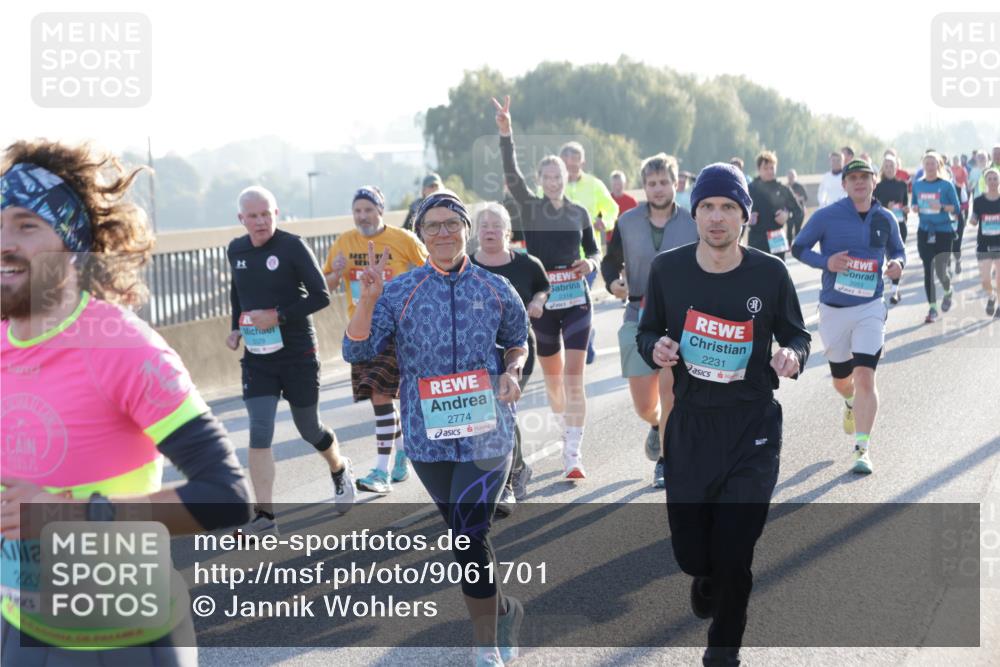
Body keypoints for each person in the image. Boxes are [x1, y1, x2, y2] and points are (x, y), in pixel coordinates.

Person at [1, 140, 251, 665]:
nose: (4, 241)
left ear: (70, 242)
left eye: (26, 225)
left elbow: (227, 495)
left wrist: (73, 517)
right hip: (19, 625)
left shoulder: (121, 348)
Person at [343, 190, 528, 667]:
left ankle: (484, 644)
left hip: (489, 431)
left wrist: (512, 371)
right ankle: (504, 609)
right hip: (428, 437)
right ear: (421, 236)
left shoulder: (494, 288)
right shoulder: (401, 292)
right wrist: (366, 300)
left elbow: (516, 342)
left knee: (468, 533)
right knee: (466, 538)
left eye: (452, 224)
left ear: (466, 229)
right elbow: (356, 350)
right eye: (433, 226)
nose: (443, 233)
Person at [637, 162, 810, 667]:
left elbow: (797, 334)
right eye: (708, 207)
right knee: (692, 554)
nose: (717, 218)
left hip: (751, 426)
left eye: (728, 208)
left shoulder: (769, 273)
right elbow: (646, 332)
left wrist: (793, 356)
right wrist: (658, 347)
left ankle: (723, 652)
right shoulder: (669, 270)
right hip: (691, 427)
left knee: (736, 551)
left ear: (745, 216)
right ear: (695, 215)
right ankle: (704, 574)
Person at [226, 186, 354, 533]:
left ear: (276, 214)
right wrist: (235, 328)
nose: (260, 221)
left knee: (308, 428)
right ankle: (265, 516)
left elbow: (321, 296)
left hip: (298, 353)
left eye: (266, 214)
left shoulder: (292, 246)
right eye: (253, 216)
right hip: (258, 358)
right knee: (260, 429)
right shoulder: (235, 249)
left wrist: (279, 316)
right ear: (242, 219)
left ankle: (339, 467)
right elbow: (239, 290)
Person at [494, 96, 600, 479]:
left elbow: (595, 248)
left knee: (574, 377)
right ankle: (564, 427)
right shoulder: (531, 207)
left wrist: (592, 263)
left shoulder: (579, 213)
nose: (554, 181)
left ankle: (573, 452)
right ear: (541, 182)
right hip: (543, 304)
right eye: (548, 177)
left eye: (559, 176)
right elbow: (511, 172)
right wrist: (506, 133)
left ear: (567, 178)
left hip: (576, 302)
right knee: (554, 382)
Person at [791, 159, 905, 474]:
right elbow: (799, 248)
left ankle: (862, 448)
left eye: (864, 177)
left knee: (866, 375)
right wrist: (826, 262)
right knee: (843, 381)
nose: (859, 182)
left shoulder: (886, 218)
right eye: (852, 178)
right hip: (834, 310)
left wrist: (898, 264)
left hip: (870, 307)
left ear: (874, 183)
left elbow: (898, 251)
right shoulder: (827, 217)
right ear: (844, 184)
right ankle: (850, 401)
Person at [601, 153, 697, 488]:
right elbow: (610, 263)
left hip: (681, 317)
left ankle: (665, 461)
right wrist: (613, 282)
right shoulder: (627, 222)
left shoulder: (692, 222)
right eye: (651, 183)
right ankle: (656, 425)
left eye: (663, 182)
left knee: (670, 392)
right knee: (645, 404)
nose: (658, 189)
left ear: (675, 183)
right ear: (644, 186)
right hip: (638, 314)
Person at [324, 186, 428, 494]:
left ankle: (381, 471)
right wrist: (336, 273)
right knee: (379, 397)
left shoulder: (403, 239)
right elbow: (325, 285)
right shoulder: (344, 242)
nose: (362, 216)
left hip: (398, 327)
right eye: (357, 210)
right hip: (363, 329)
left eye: (368, 209)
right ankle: (401, 454)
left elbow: (431, 273)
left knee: (383, 396)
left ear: (380, 211)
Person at [470, 203, 551, 515]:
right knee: (489, 415)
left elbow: (543, 286)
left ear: (507, 231)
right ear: (476, 232)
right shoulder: (466, 266)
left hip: (516, 350)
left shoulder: (527, 264)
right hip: (475, 354)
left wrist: (538, 301)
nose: (490, 230)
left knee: (503, 410)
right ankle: (517, 468)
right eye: (484, 225)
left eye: (496, 225)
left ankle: (504, 483)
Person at [558, 141, 619, 364]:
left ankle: (584, 340)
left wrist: (606, 221)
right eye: (567, 164)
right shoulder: (552, 184)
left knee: (579, 299)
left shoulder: (594, 184)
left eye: (575, 163)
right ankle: (583, 335)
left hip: (586, 256)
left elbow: (612, 208)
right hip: (556, 258)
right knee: (564, 304)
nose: (571, 168)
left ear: (582, 162)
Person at [911, 152, 961, 323]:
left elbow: (957, 209)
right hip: (924, 231)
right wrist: (915, 208)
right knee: (928, 269)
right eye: (927, 163)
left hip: (943, 232)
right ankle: (932, 308)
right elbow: (914, 204)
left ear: (938, 165)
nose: (929, 167)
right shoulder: (917, 185)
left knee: (941, 271)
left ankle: (948, 291)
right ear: (923, 166)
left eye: (933, 163)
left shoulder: (946, 185)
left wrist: (941, 207)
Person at [746, 151, 803, 261]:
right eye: (766, 168)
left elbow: (798, 212)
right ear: (759, 169)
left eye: (772, 168)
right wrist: (746, 217)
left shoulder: (782, 189)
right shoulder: (750, 189)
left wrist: (787, 216)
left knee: (778, 272)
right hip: (756, 237)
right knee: (755, 273)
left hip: (777, 236)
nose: (769, 171)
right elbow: (737, 211)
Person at [874, 154, 911, 304]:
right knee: (884, 258)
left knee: (895, 257)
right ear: (883, 168)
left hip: (900, 225)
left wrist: (906, 210)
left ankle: (895, 291)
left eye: (892, 166)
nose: (889, 169)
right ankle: (885, 286)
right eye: (887, 166)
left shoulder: (902, 185)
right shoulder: (877, 186)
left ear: (897, 168)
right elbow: (873, 207)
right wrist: (885, 208)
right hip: (882, 227)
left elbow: (906, 204)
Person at [969, 167, 1000, 318]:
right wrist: (973, 220)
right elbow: (974, 218)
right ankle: (991, 296)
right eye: (990, 179)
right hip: (984, 243)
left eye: (995, 179)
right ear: (986, 182)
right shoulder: (979, 200)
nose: (993, 182)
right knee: (986, 278)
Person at [786, 168, 808, 244]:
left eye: (792, 176)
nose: (791, 178)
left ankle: (798, 244)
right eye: (789, 176)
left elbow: (805, 197)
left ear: (795, 177)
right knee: (789, 228)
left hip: (799, 211)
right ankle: (789, 245)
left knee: (797, 228)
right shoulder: (786, 187)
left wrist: (797, 198)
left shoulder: (799, 186)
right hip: (789, 211)